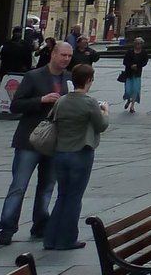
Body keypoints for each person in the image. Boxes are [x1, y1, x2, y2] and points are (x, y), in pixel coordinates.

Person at [0, 39, 73, 246]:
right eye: (63, 55)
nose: (66, 59)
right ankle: (7, 227)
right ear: (53, 54)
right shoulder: (34, 76)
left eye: (69, 56)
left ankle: (40, 224)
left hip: (54, 141)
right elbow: (15, 105)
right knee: (19, 186)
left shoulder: (69, 78)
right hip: (29, 140)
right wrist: (41, 100)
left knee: (47, 186)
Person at [42, 62, 109, 250]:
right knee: (74, 197)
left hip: (60, 152)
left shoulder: (62, 100)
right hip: (80, 152)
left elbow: (52, 118)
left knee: (62, 195)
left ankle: (50, 239)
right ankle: (67, 239)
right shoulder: (89, 102)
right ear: (89, 80)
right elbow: (101, 125)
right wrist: (106, 112)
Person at [120, 36, 150, 113]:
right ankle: (128, 99)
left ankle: (132, 106)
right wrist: (131, 65)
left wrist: (138, 66)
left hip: (137, 73)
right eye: (136, 43)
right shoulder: (129, 52)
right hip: (129, 73)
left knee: (135, 89)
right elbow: (125, 61)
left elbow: (145, 62)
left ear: (142, 44)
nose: (137, 45)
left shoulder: (143, 53)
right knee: (128, 90)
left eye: (139, 43)